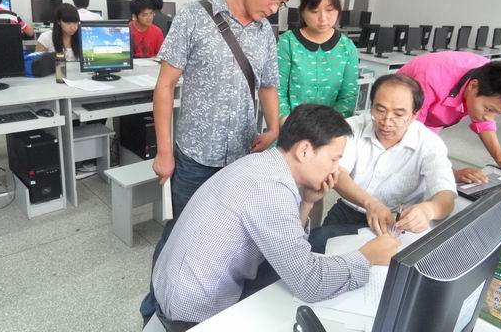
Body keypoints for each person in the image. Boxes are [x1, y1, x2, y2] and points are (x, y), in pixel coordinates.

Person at [149, 104, 399, 329]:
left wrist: (307, 202)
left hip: (179, 294)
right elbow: (309, 282)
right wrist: (367, 256)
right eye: (334, 159)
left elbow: (286, 245)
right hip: (193, 317)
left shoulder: (263, 165)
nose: (336, 170)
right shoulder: (271, 190)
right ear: (304, 150)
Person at [152, 0, 302, 218]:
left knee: (228, 232)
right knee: (183, 230)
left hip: (241, 157)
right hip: (195, 158)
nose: (274, 8)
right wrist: (164, 152)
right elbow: (165, 86)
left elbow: (268, 85)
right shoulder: (193, 16)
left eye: (282, 3)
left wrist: (274, 129)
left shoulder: (265, 33)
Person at [308, 74, 457, 253]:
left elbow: (446, 195)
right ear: (371, 106)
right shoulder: (352, 127)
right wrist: (370, 203)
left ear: (415, 115)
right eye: (380, 110)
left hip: (396, 224)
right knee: (316, 249)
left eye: (399, 114)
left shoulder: (429, 143)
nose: (386, 121)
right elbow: (337, 173)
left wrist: (429, 210)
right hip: (348, 211)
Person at [397, 51, 501, 184]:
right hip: (402, 113)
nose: (489, 118)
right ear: (473, 86)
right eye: (489, 109)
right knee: (403, 164)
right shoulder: (430, 80)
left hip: (431, 115)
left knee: (428, 160)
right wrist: (450, 173)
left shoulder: (491, 77)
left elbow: (484, 122)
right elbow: (411, 134)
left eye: (497, 113)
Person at [278, 0, 359, 123]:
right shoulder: (287, 43)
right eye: (314, 11)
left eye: (330, 10)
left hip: (330, 130)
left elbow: (347, 97)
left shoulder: (347, 48)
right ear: (302, 12)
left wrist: (325, 130)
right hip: (290, 128)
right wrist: (289, 125)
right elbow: (277, 92)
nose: (323, 18)